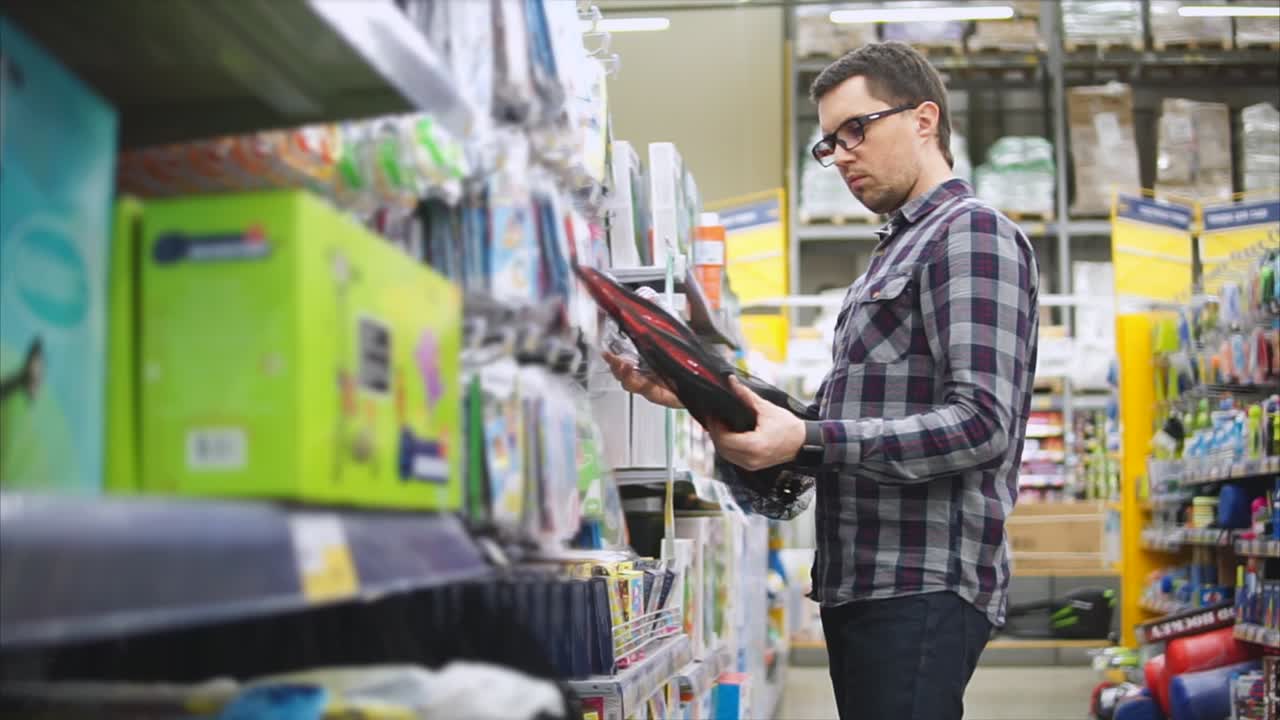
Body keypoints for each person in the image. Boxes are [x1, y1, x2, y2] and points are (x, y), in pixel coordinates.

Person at [605, 42, 1039, 720]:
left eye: (855, 131)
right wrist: (704, 394)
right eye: (828, 144)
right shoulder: (892, 252)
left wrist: (808, 437)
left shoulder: (970, 234)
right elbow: (843, 421)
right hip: (865, 581)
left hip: (919, 580)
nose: (839, 156)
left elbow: (982, 424)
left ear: (924, 120)